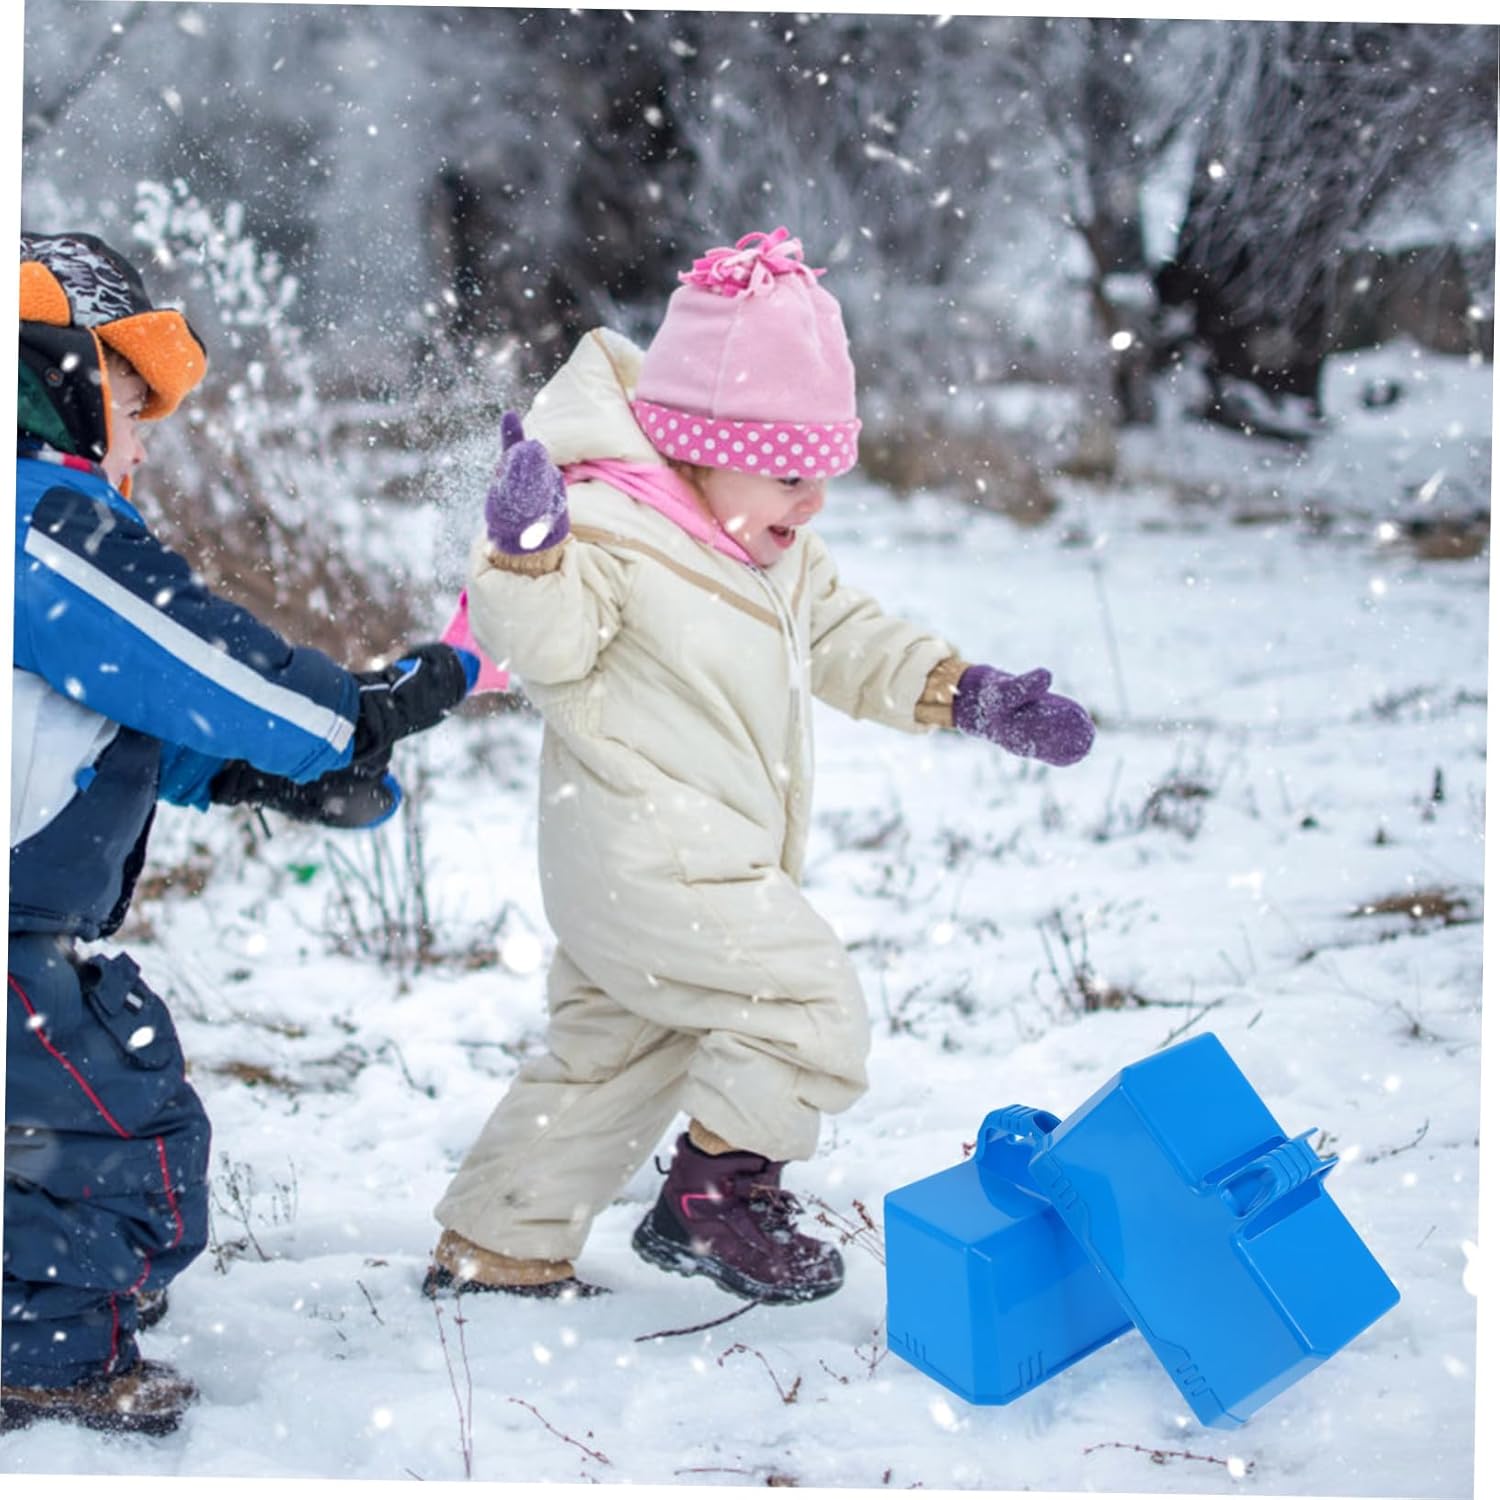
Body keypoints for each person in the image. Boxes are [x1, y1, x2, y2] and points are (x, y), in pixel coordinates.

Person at [425, 227, 1093, 1308]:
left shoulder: (770, 550)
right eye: (789, 473)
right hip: (651, 857)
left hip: (666, 862)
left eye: (822, 473)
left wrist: (964, 692)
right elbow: (543, 645)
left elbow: (847, 638)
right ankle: (715, 1197)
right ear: (700, 448)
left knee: (614, 1055)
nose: (811, 499)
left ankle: (498, 1248)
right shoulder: (610, 530)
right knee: (804, 1000)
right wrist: (528, 555)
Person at [5, 231, 477, 1435]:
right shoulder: (38, 521)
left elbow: (106, 713)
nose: (142, 442)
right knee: (118, 1140)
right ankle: (45, 1358)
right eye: (130, 406)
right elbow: (195, 657)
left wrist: (251, 777)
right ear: (52, 377)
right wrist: (352, 714)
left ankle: (45, 1306)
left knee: (58, 1138)